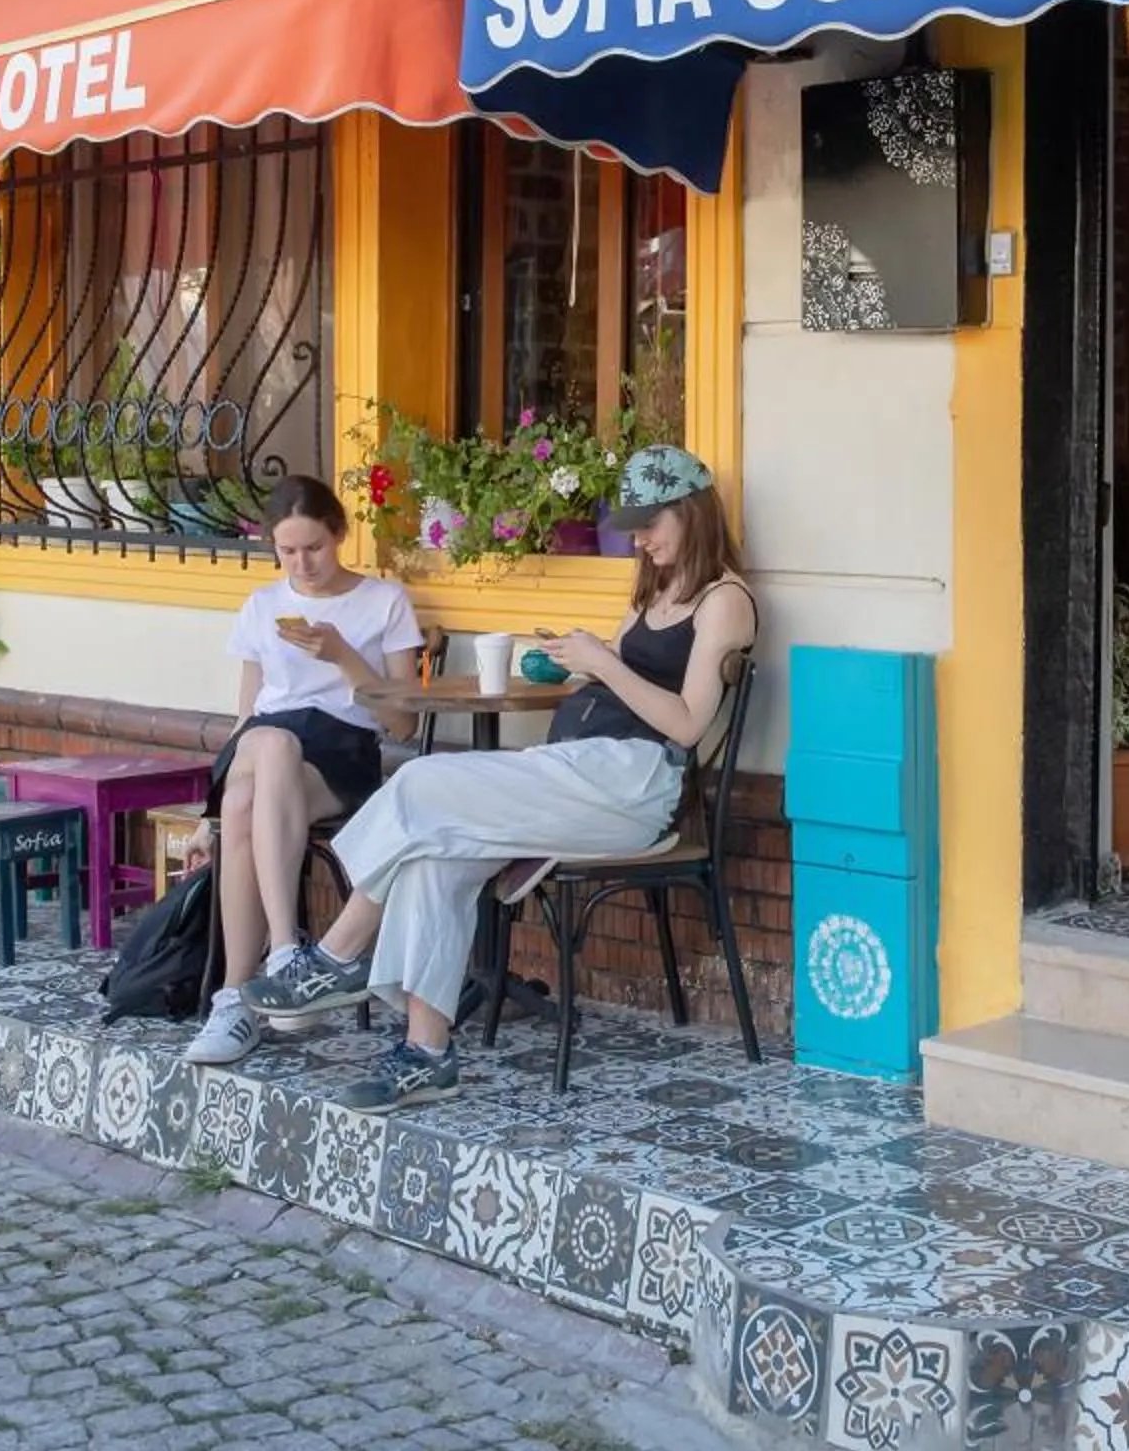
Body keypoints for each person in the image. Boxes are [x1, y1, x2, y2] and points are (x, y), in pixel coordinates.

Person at [242, 445, 756, 1111]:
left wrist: (603, 661)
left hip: (632, 786)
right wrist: (573, 666)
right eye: (632, 523)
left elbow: (686, 724)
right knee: (433, 856)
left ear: (691, 511)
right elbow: (618, 683)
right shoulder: (654, 593)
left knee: (422, 783)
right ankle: (426, 1055)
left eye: (650, 521)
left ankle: (337, 957)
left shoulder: (724, 600)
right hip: (573, 773)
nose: (637, 537)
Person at [185, 475, 424, 1065]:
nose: (302, 563)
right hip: (265, 748)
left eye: (313, 547)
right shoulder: (262, 605)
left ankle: (236, 1001)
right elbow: (246, 717)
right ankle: (284, 954)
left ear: (339, 534)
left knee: (246, 798)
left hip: (340, 750)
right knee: (266, 746)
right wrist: (203, 814)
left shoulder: (383, 601)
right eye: (287, 551)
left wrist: (344, 656)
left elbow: (402, 725)